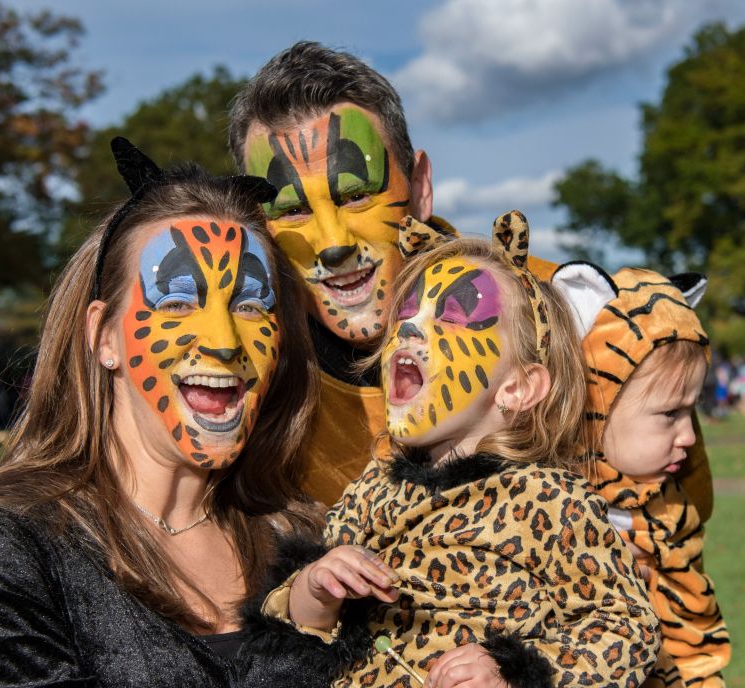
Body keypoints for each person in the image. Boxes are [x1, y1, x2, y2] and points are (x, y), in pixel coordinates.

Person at [0, 140, 509, 688]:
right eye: (180, 301)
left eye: (250, 304)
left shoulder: (305, 537)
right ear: (105, 336)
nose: (222, 338)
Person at [228, 41, 717, 521]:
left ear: (419, 189)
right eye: (292, 210)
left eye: (356, 197)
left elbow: (678, 521)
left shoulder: (573, 319)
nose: (331, 243)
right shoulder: (254, 376)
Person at [263, 214, 660, 688]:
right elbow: (292, 631)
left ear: (519, 388)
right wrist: (311, 590)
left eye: (453, 315)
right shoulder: (370, 491)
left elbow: (629, 628)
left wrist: (521, 680)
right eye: (407, 315)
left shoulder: (549, 499)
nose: (412, 332)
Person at [552, 264, 745, 688]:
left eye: (692, 412)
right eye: (668, 415)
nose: (689, 435)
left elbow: (692, 608)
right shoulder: (542, 504)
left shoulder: (667, 512)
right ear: (596, 401)